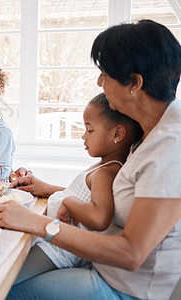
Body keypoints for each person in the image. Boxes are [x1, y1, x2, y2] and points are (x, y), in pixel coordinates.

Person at [0, 19, 181, 299]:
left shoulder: (169, 149)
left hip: (124, 288)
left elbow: (132, 253)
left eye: (105, 74)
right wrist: (54, 190)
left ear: (134, 84)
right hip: (103, 269)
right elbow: (123, 199)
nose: (99, 82)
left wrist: (37, 223)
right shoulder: (150, 130)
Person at [13, 93, 142, 284]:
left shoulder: (106, 172)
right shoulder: (103, 166)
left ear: (117, 134)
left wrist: (68, 202)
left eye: (90, 130)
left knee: (8, 278)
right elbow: (85, 195)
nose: (83, 136)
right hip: (55, 241)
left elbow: (100, 217)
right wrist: (48, 188)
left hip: (59, 250)